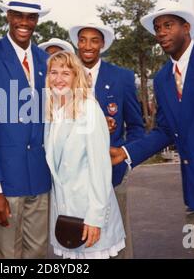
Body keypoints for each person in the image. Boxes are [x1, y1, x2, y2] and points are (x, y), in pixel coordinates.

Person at [110, 0, 194, 259]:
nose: (162, 33)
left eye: (168, 25)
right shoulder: (163, 78)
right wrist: (126, 152)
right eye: (158, 28)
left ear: (186, 27)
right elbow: (165, 131)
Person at [0, 0, 51, 258]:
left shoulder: (46, 61)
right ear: (7, 16)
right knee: (5, 257)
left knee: (37, 255)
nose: (24, 22)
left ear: (37, 20)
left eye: (31, 17)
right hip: (4, 182)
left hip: (40, 179)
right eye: (18, 15)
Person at [69, 21, 145, 258]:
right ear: (77, 43)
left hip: (112, 175)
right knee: (78, 239)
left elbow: (136, 127)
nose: (88, 46)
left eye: (94, 40)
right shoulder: (65, 75)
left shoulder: (121, 77)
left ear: (102, 44)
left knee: (117, 240)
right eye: (83, 40)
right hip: (74, 178)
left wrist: (124, 159)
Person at [44, 51, 125, 259]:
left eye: (65, 73)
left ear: (75, 77)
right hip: (66, 214)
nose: (58, 79)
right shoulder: (52, 113)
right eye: (53, 72)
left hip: (88, 214)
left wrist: (95, 218)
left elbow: (100, 169)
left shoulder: (89, 109)